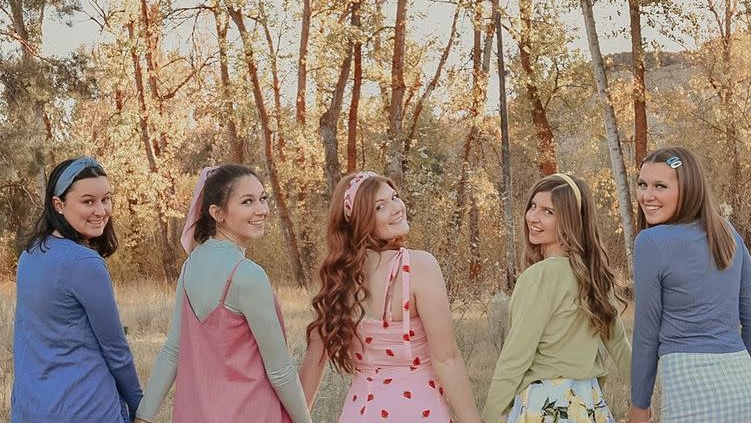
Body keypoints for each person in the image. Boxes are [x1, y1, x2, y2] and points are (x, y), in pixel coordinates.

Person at [134, 165, 312, 423]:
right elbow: (280, 371)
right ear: (218, 213)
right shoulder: (247, 275)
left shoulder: (191, 265)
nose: (262, 210)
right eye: (247, 202)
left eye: (262, 198)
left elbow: (173, 349)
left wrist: (144, 415)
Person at [299, 171, 482, 423]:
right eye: (380, 206)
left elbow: (314, 360)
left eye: (394, 197)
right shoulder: (418, 266)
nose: (397, 208)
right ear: (361, 221)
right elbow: (446, 358)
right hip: (418, 412)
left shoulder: (338, 281)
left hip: (359, 414)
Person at [628, 147, 751, 423]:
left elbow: (646, 334)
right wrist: (748, 376)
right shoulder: (729, 233)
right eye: (642, 184)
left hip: (691, 389)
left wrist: (639, 407)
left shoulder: (650, 243)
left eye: (660, 186)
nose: (647, 196)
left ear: (688, 189)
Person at [482, 173, 631, 423]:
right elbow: (620, 347)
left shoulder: (540, 276)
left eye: (548, 212)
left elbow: (515, 357)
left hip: (545, 405)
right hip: (588, 403)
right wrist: (643, 400)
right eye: (533, 206)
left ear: (570, 221)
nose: (533, 217)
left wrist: (487, 416)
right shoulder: (596, 277)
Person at [12, 157, 143, 423]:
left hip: (33, 406)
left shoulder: (31, 254)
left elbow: (27, 337)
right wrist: (139, 405)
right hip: (86, 408)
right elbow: (115, 348)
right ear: (58, 205)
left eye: (105, 199)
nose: (101, 210)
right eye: (88, 201)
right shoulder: (85, 263)